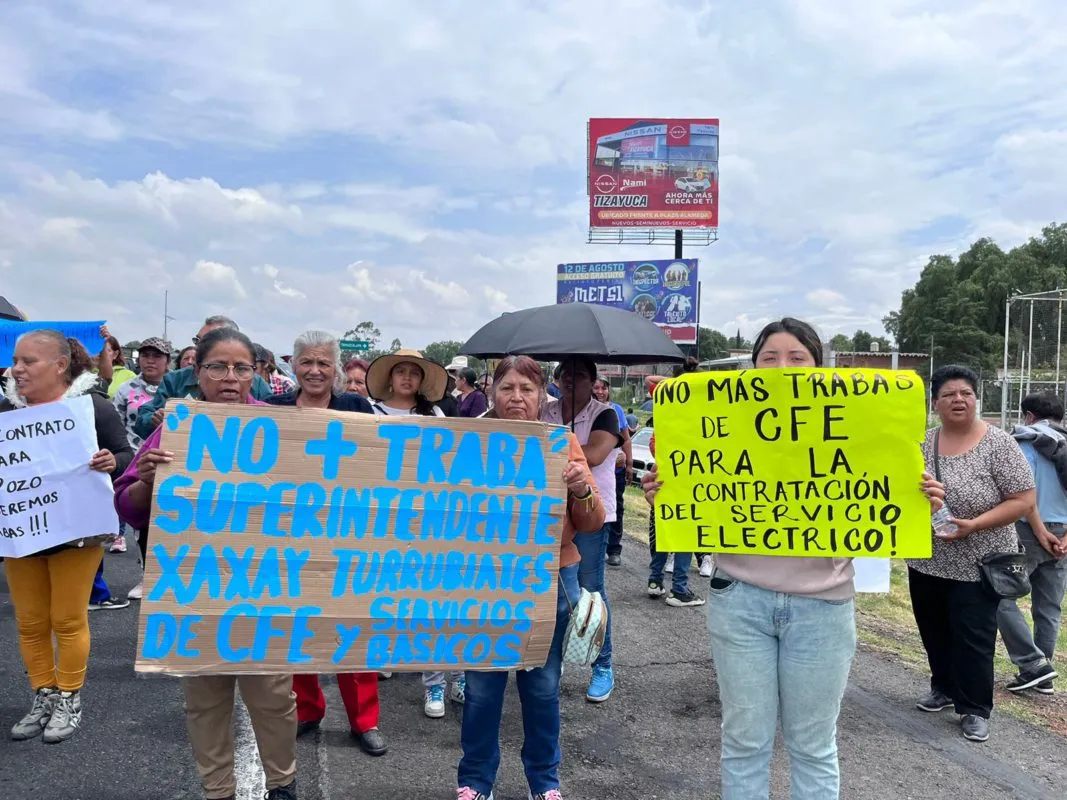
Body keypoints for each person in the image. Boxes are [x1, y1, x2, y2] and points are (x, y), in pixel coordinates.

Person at [643, 318, 946, 799]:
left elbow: (885, 497)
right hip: (739, 600)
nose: (782, 367)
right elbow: (698, 499)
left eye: (796, 357)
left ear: (819, 368)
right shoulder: (722, 427)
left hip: (823, 609)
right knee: (744, 742)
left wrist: (918, 498)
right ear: (752, 368)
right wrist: (669, 493)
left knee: (813, 745)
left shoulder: (857, 430)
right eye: (770, 358)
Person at [114, 327, 298, 800]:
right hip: (197, 589)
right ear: (197, 373)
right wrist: (149, 479)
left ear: (257, 374)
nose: (231, 378)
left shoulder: (284, 428)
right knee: (206, 700)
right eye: (218, 367)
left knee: (274, 697)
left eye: (242, 368)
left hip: (265, 588)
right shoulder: (176, 427)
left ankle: (282, 784)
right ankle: (218, 790)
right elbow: (129, 507)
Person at [457, 355, 605, 800]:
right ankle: (474, 781)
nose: (516, 397)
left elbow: (593, 522)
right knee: (482, 689)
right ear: (491, 393)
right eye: (508, 388)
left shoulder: (562, 445)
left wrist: (580, 487)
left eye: (527, 389)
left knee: (542, 689)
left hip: (550, 583)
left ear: (543, 397)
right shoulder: (467, 443)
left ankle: (544, 782)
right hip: (482, 584)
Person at [3, 329, 133, 744]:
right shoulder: (6, 411)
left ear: (60, 366)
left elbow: (128, 453)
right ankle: (42, 694)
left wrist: (112, 460)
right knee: (30, 621)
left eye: (28, 361)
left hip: (76, 532)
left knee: (67, 618)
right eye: (15, 361)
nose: (16, 369)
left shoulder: (91, 408)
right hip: (22, 532)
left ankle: (68, 697)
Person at [264, 331, 384, 757]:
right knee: (297, 628)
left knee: (352, 627)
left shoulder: (354, 407)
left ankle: (364, 720)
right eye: (306, 362)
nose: (315, 371)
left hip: (345, 538)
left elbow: (375, 463)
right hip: (288, 537)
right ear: (293, 366)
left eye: (323, 363)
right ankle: (307, 710)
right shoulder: (273, 409)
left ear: (335, 369)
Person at [908, 364, 1035, 743]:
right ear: (935, 403)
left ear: (977, 399)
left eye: (965, 393)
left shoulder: (999, 444)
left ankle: (975, 707)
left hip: (979, 562)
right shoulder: (922, 443)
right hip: (926, 559)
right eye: (949, 394)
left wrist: (975, 524)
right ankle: (943, 687)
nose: (958, 400)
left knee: (973, 636)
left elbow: (1024, 500)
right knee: (933, 629)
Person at [366, 348, 463, 715]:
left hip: (429, 518)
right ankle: (388, 650)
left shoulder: (436, 415)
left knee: (435, 599)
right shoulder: (369, 414)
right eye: (400, 371)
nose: (407, 378)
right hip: (382, 515)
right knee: (387, 589)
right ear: (389, 377)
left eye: (414, 373)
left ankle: (438, 681)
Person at [541, 357, 622, 703]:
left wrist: (563, 449)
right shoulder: (545, 411)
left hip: (590, 510)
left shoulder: (605, 414)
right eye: (565, 375)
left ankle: (602, 665)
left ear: (593, 382)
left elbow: (595, 453)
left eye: (580, 376)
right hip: (549, 515)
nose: (571, 381)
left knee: (590, 591)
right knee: (551, 593)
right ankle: (550, 661)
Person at [998, 391, 1067, 694]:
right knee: (1049, 606)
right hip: (1063, 534)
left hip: (1030, 529)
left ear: (1028, 415)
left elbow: (1024, 495)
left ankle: (1033, 664)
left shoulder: (1025, 442)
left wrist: (1040, 532)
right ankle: (1044, 675)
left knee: (999, 594)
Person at [133, 315, 273, 441]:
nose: (231, 379)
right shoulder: (175, 380)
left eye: (241, 368)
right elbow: (143, 420)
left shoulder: (257, 385)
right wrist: (155, 421)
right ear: (199, 370)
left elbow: (276, 423)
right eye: (198, 341)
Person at [111, 336, 171, 594]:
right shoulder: (126, 389)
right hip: (136, 457)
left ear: (167, 361)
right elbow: (117, 423)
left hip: (169, 458)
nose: (149, 360)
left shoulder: (175, 390)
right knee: (143, 524)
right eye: (145, 355)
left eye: (156, 356)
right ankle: (146, 574)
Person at [592, 377, 632, 568]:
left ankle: (614, 549)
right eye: (596, 387)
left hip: (615, 469)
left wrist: (629, 463)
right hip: (595, 468)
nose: (600, 391)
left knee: (615, 508)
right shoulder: (587, 410)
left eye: (604, 388)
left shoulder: (616, 410)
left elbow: (626, 439)